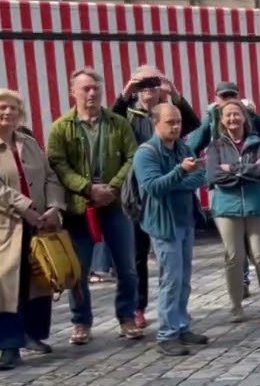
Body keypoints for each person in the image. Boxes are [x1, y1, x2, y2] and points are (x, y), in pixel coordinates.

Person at [46, 67, 142, 345]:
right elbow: (57, 164)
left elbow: (132, 156)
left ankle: (126, 316)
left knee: (127, 266)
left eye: (96, 87)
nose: (92, 93)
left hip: (114, 205)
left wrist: (112, 188)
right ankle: (81, 322)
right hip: (79, 208)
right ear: (73, 92)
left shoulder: (117, 124)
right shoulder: (61, 127)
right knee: (78, 269)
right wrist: (87, 188)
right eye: (86, 88)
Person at [132, 104, 208, 356]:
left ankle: (181, 325)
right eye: (170, 122)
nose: (175, 126)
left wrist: (180, 178)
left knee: (184, 278)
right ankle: (167, 334)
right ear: (156, 123)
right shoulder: (146, 153)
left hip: (185, 220)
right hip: (164, 225)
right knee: (171, 279)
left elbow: (200, 177)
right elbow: (153, 186)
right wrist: (180, 173)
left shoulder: (182, 148)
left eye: (177, 122)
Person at [0, 90, 64, 368]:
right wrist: (23, 205)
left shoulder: (29, 142)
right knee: (6, 282)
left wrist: (54, 206)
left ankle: (32, 334)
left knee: (39, 278)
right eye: (2, 108)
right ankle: (9, 344)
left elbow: (50, 175)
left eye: (13, 108)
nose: (8, 113)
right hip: (7, 226)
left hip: (39, 223)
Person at [204, 101, 260, 322]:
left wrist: (234, 170)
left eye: (236, 114)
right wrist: (248, 171)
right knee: (234, 257)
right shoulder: (215, 147)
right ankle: (236, 306)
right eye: (228, 115)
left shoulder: (257, 143)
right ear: (221, 120)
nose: (232, 119)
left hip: (257, 205)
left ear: (244, 118)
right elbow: (213, 176)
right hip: (226, 208)